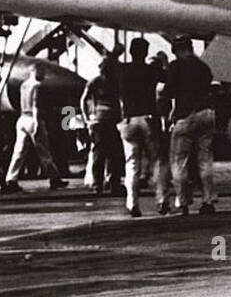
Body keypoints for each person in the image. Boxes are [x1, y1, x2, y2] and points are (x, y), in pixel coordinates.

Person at [164, 36, 218, 215]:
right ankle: (208, 201)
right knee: (205, 161)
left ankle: (184, 202)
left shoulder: (176, 66)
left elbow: (168, 92)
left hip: (186, 116)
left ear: (176, 51)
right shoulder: (203, 66)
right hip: (207, 114)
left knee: (179, 161)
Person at [115, 41, 169, 217]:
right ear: (145, 52)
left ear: (130, 52)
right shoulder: (151, 70)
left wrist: (115, 53)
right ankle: (162, 201)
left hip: (129, 120)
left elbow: (106, 67)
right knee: (157, 162)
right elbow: (167, 78)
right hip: (148, 118)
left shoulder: (122, 70)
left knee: (131, 165)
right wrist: (163, 62)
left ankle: (132, 204)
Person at [3, 63, 68, 193]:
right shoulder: (38, 86)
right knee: (44, 152)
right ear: (36, 71)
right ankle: (54, 179)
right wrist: (37, 122)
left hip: (22, 118)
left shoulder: (24, 85)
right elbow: (36, 105)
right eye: (43, 72)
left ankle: (11, 179)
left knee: (19, 152)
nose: (44, 75)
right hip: (33, 119)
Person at [82, 55, 124, 199]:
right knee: (111, 155)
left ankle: (100, 185)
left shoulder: (97, 82)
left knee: (101, 155)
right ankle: (111, 184)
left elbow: (83, 100)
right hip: (106, 122)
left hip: (101, 122)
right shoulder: (111, 82)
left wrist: (88, 119)